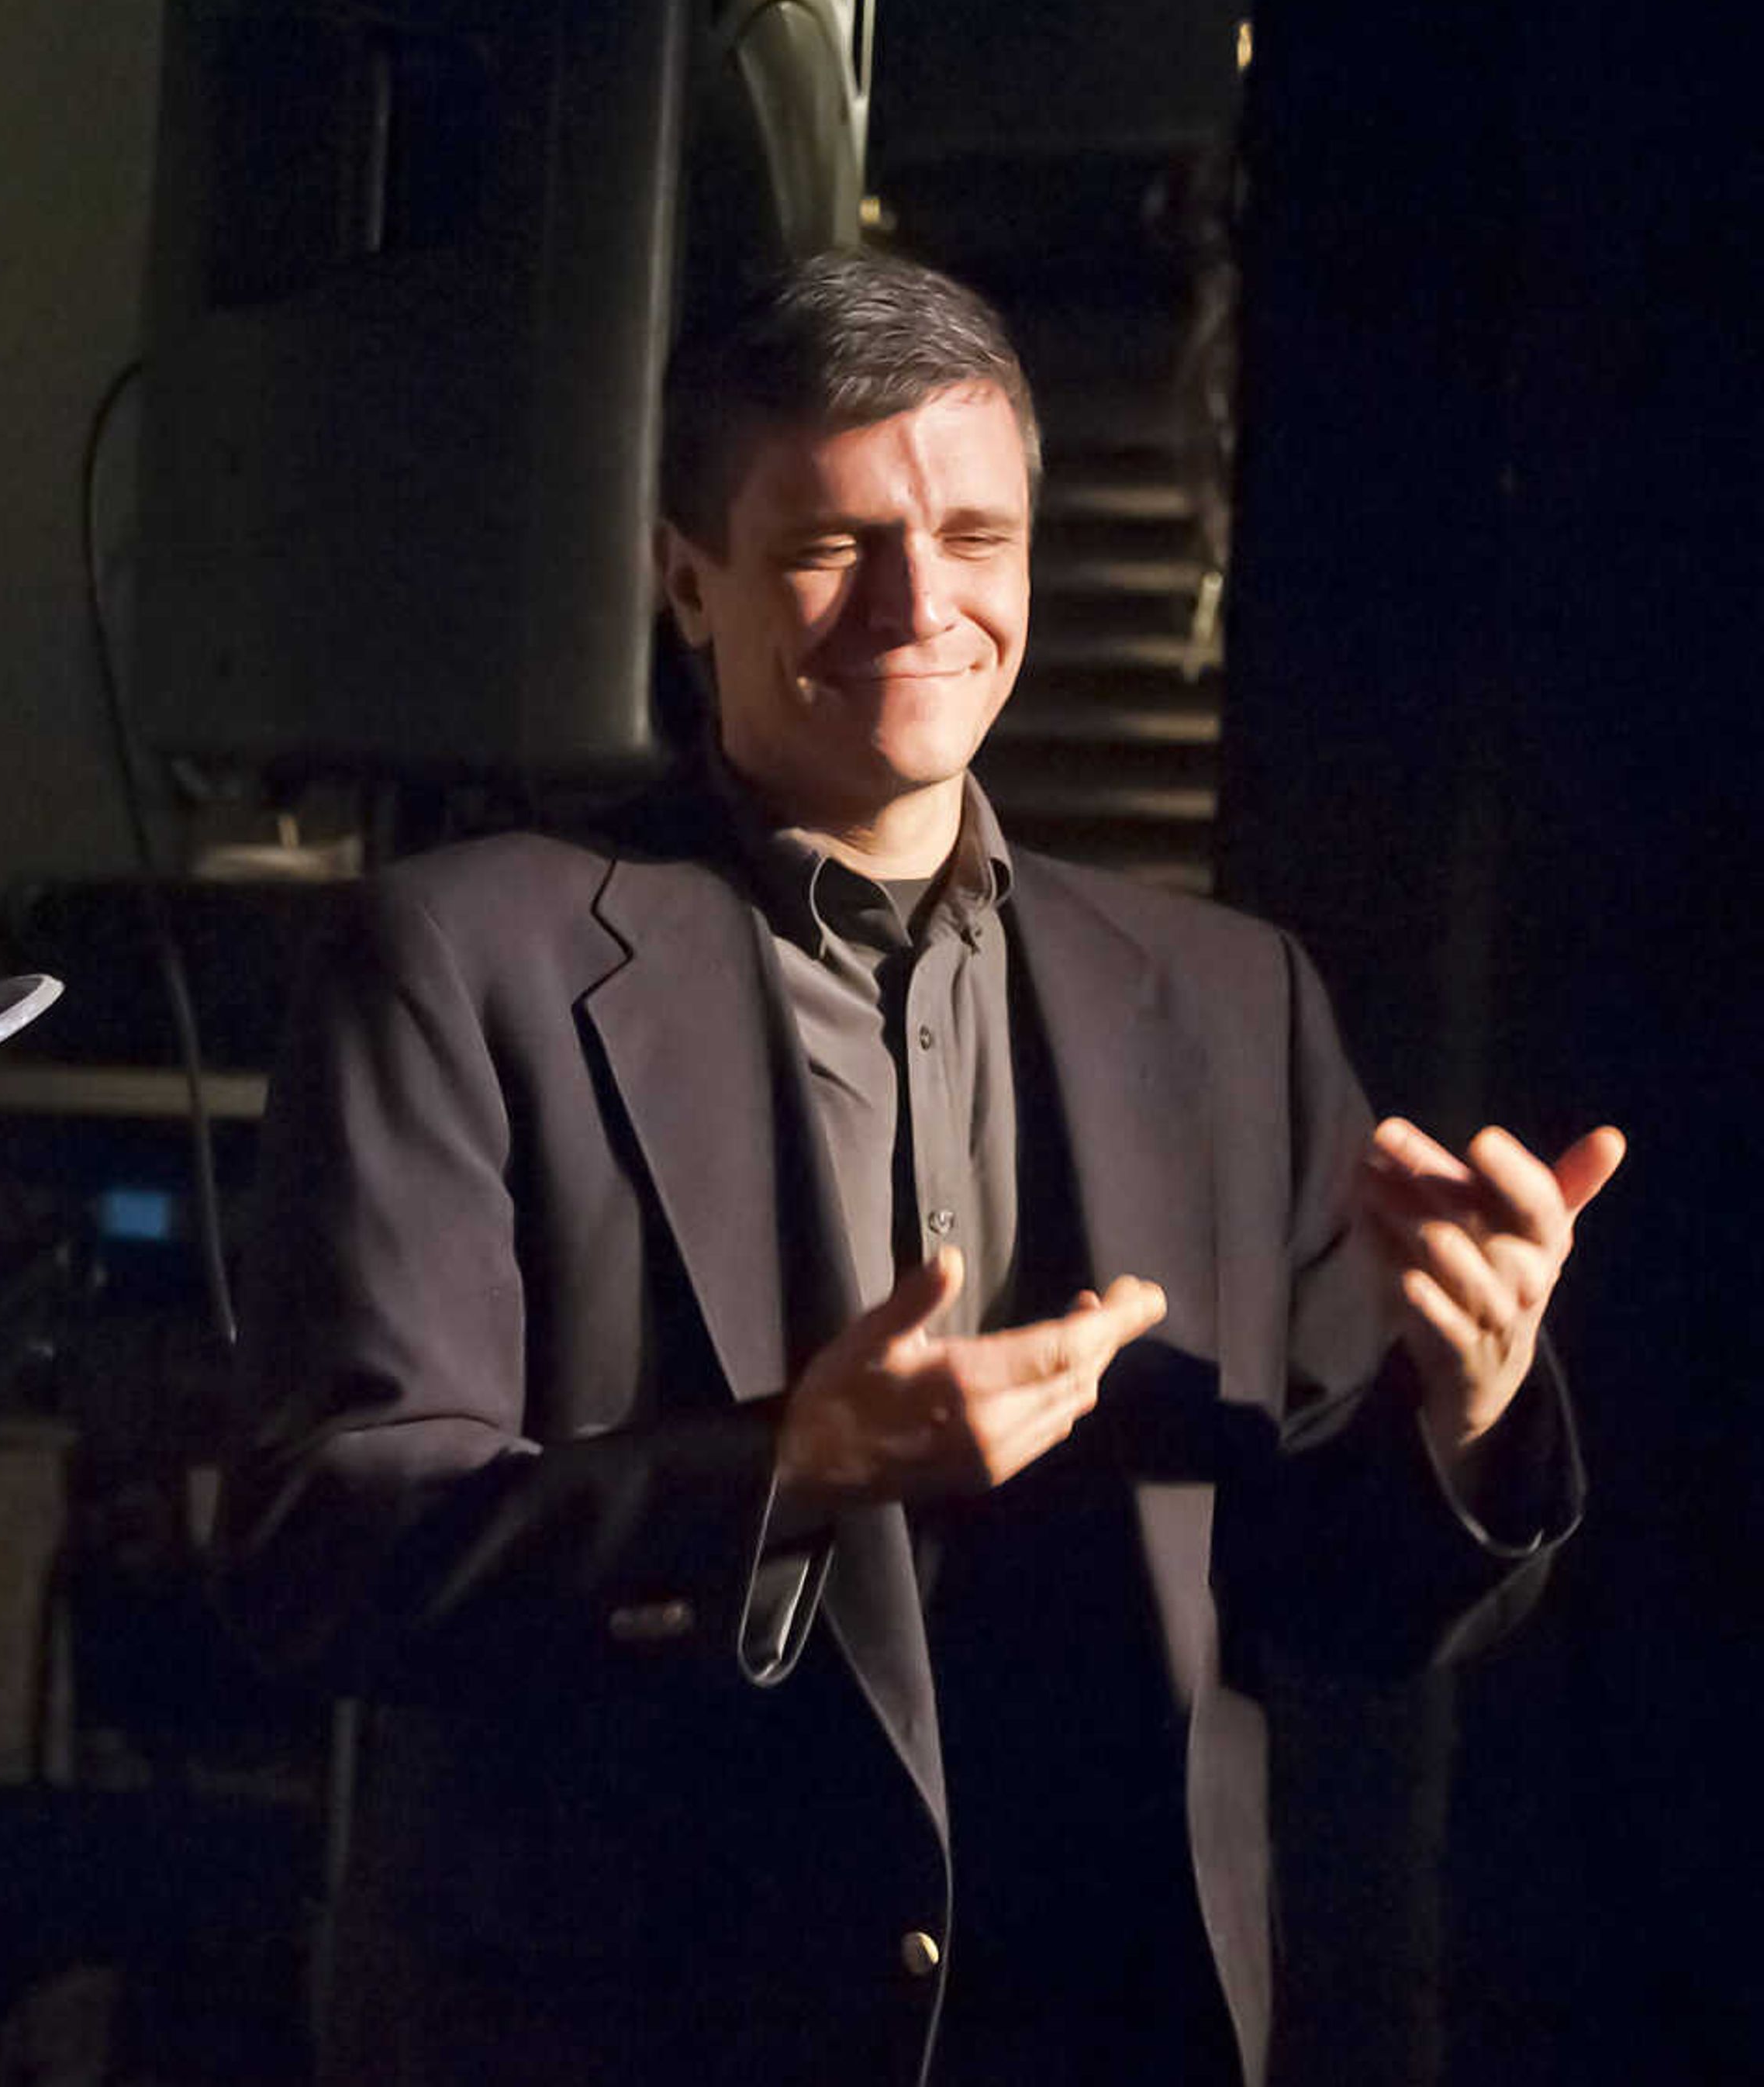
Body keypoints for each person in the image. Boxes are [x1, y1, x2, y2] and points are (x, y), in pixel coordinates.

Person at [218, 251, 1624, 2087]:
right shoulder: (459, 960)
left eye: (977, 535)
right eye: (832, 543)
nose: (919, 603)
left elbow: (1338, 1599)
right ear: (684, 576)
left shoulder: (1225, 997)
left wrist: (1469, 1397)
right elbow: (320, 1545)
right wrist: (782, 1464)